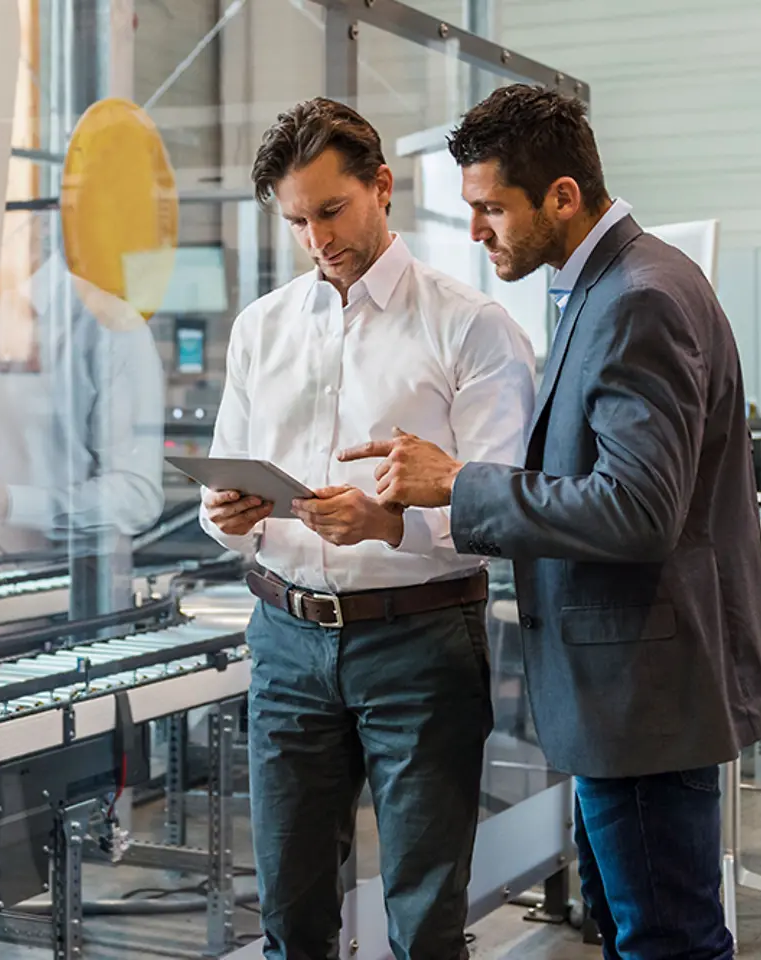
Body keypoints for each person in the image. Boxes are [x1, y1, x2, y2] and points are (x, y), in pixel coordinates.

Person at [339, 84, 761, 960]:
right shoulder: (616, 284)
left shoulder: (637, 299)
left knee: (666, 941)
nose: (475, 231)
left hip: (644, 696)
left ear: (563, 196)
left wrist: (459, 484)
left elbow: (638, 508)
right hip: (631, 693)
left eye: (489, 208)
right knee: (640, 930)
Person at [200, 97, 536, 960]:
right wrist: (225, 515)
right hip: (284, 639)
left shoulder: (472, 327)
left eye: (332, 210)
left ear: (381, 186)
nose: (317, 238)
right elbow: (226, 489)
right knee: (291, 916)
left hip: (420, 644)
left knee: (425, 922)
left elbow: (503, 519)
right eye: (297, 220)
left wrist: (390, 526)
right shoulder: (260, 329)